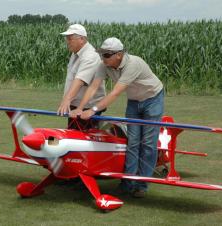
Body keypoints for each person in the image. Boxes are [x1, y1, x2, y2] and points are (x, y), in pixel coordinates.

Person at [70, 37, 164, 198]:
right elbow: (93, 86)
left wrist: (92, 110)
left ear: (119, 55)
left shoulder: (133, 64)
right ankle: (127, 184)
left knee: (148, 143)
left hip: (153, 99)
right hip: (134, 101)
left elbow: (115, 93)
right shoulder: (104, 64)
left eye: (106, 55)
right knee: (133, 142)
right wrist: (79, 108)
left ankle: (142, 185)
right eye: (101, 54)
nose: (102, 58)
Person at [57, 24, 106, 130]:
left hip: (87, 106)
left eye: (70, 39)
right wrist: (67, 100)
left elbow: (80, 80)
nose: (67, 41)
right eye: (67, 38)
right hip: (76, 104)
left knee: (84, 138)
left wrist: (67, 100)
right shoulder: (76, 53)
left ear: (82, 39)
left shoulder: (90, 56)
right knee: (73, 134)